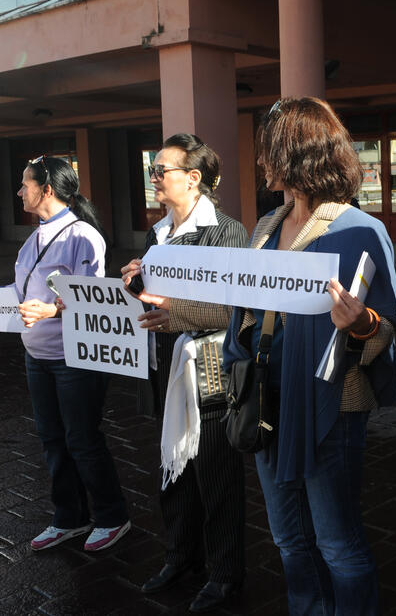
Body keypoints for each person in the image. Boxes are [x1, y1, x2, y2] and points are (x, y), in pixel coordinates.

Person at [223, 97, 396, 615]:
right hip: (268, 397)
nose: (262, 164)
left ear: (297, 154)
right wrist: (173, 303)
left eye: (269, 152)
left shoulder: (359, 229)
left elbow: (385, 324)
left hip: (329, 403)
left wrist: (360, 322)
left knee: (338, 545)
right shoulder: (264, 226)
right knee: (288, 540)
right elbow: (248, 304)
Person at [121, 134, 249, 613]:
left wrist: (175, 314)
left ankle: (224, 574)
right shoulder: (158, 234)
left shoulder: (227, 232)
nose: (153, 178)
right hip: (166, 372)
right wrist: (136, 281)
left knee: (216, 476)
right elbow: (155, 299)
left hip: (211, 372)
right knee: (173, 472)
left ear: (194, 178)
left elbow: (234, 310)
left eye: (162, 170)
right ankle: (181, 557)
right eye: (152, 169)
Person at [12, 155, 131, 552]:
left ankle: (112, 516)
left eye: (25, 184)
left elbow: (94, 297)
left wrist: (49, 309)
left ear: (46, 189)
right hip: (37, 356)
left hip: (73, 357)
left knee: (81, 438)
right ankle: (69, 518)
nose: (19, 191)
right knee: (51, 439)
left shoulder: (82, 236)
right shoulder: (35, 237)